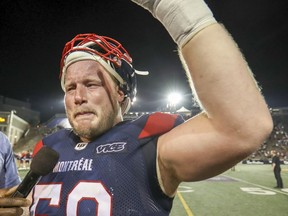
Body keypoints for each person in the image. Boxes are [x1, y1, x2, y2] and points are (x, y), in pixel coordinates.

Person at [0, 0, 273, 215]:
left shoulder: (147, 141)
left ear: (122, 93)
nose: (78, 96)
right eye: (70, 88)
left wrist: (175, 7)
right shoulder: (47, 148)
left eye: (91, 84)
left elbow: (244, 127)